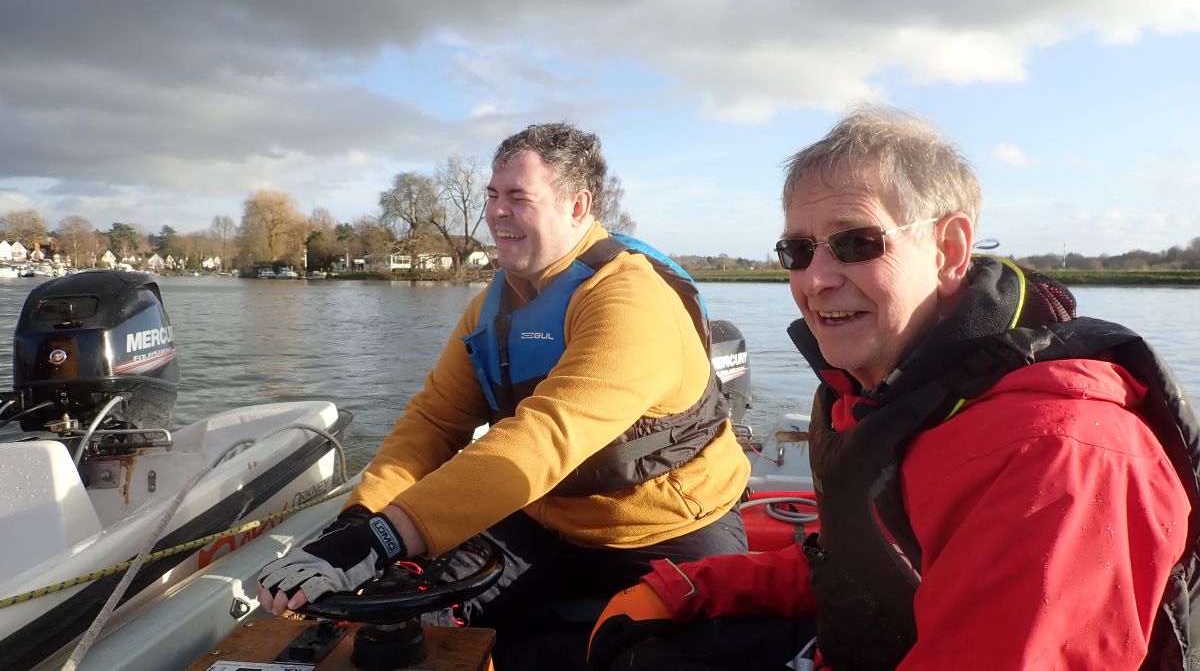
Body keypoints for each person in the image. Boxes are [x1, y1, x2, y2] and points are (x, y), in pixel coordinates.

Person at [587, 106, 1200, 670]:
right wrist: (690, 586)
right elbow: (863, 563)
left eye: (857, 243)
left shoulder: (1056, 456)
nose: (817, 279)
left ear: (949, 249)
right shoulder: (883, 390)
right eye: (797, 250)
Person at [258, 122, 751, 668]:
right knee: (420, 625)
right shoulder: (492, 307)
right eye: (493, 196)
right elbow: (434, 422)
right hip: (543, 522)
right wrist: (361, 518)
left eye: (519, 198)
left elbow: (548, 435)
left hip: (668, 532)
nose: (496, 212)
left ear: (578, 206)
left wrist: (389, 535)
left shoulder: (631, 299)